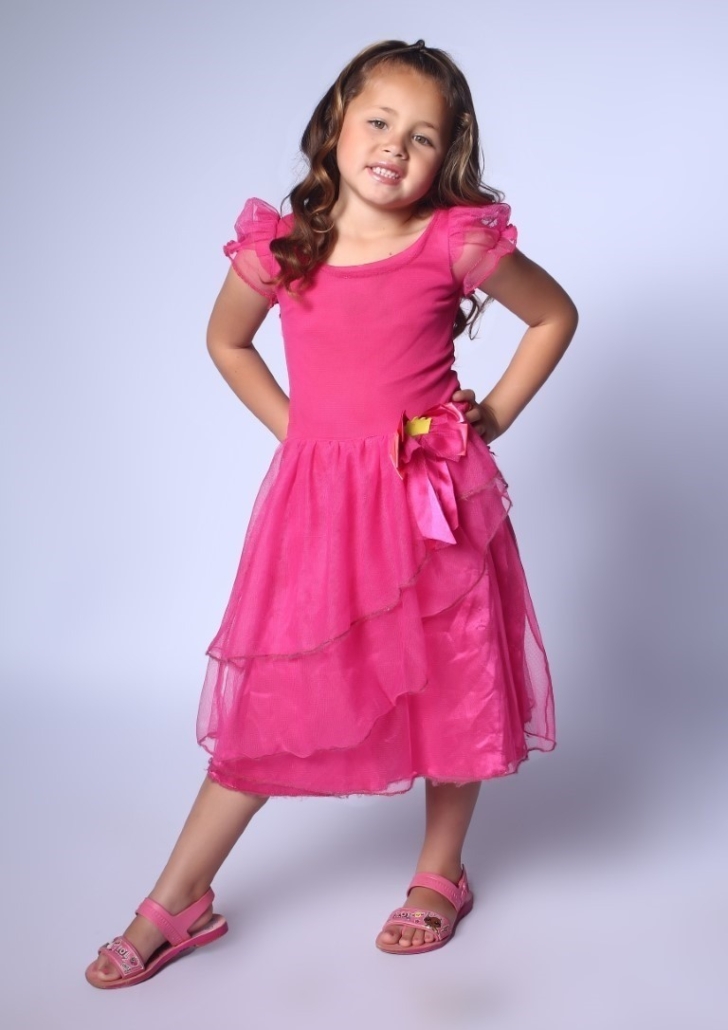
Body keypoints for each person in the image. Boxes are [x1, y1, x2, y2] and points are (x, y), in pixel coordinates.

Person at [86, 38, 578, 987]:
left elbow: (554, 315)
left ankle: (440, 872)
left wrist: (496, 415)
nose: (396, 146)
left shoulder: (455, 241)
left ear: (447, 157)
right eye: (380, 121)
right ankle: (178, 899)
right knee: (274, 699)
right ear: (336, 124)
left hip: (434, 500)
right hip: (323, 511)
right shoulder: (283, 247)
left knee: (454, 680)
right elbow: (227, 341)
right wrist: (302, 433)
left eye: (423, 137)